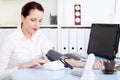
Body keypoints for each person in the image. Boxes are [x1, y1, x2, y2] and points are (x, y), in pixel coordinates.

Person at [0, 1, 103, 80]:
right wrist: (25, 65)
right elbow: (1, 74)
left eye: (40, 21)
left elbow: (58, 58)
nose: (37, 25)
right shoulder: (10, 40)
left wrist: (87, 64)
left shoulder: (40, 37)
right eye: (33, 20)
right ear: (22, 18)